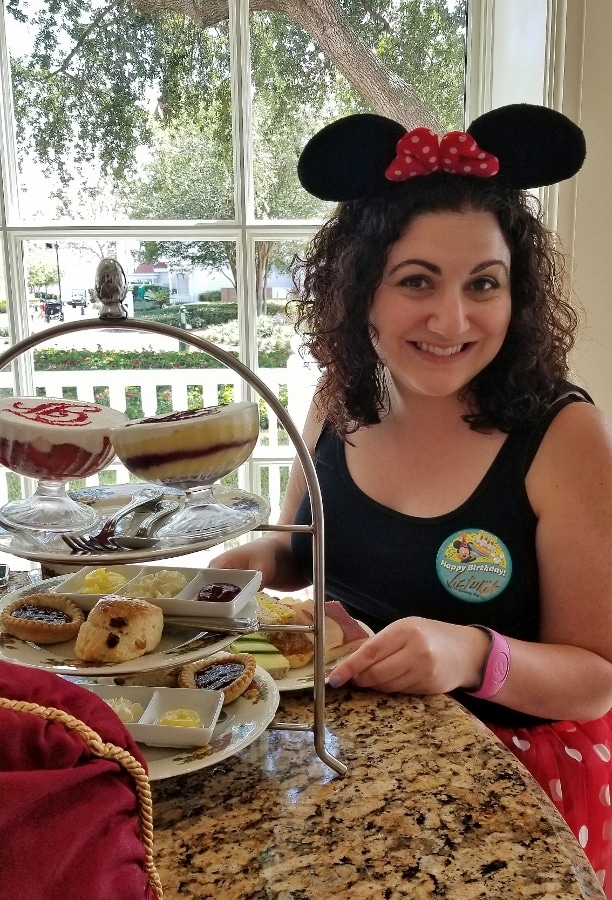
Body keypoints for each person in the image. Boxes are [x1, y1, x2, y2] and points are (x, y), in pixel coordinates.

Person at [211, 104, 612, 892]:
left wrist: (471, 653)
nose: (452, 318)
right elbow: (301, 549)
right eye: (416, 281)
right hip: (344, 735)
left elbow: (596, 674)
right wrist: (242, 570)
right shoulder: (337, 396)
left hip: (513, 765)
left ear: (516, 294)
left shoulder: (565, 437)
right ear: (362, 292)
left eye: (483, 284)